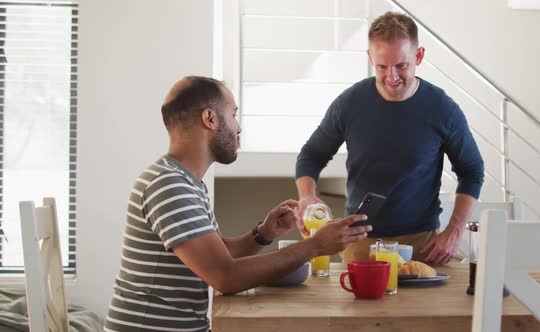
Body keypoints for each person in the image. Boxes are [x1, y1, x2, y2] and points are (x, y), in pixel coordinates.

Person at [104, 76, 372, 331]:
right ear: (209, 118)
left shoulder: (183, 181)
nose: (239, 127)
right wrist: (315, 245)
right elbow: (225, 276)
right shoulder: (169, 185)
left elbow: (219, 253)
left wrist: (263, 233)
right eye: (233, 114)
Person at [295, 12, 484, 266]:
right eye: (382, 67)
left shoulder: (443, 109)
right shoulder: (349, 103)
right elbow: (311, 156)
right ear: (371, 57)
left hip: (422, 244)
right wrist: (307, 196)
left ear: (418, 56)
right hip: (359, 241)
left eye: (401, 66)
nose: (392, 77)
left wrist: (454, 231)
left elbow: (472, 171)